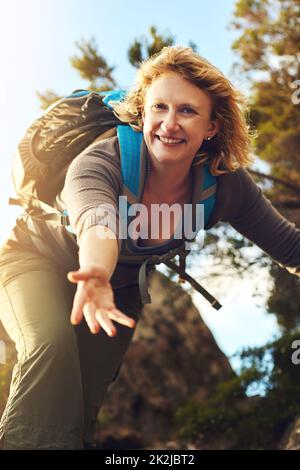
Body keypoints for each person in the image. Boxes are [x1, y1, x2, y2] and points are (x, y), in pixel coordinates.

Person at [0, 45, 300, 450]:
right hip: (35, 261)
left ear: (212, 125)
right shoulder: (101, 162)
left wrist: (106, 279)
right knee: (50, 347)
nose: (169, 124)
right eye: (159, 107)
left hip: (118, 289)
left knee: (85, 395)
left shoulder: (225, 186)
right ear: (142, 113)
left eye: (187, 111)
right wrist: (95, 272)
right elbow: (97, 222)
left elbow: (289, 246)